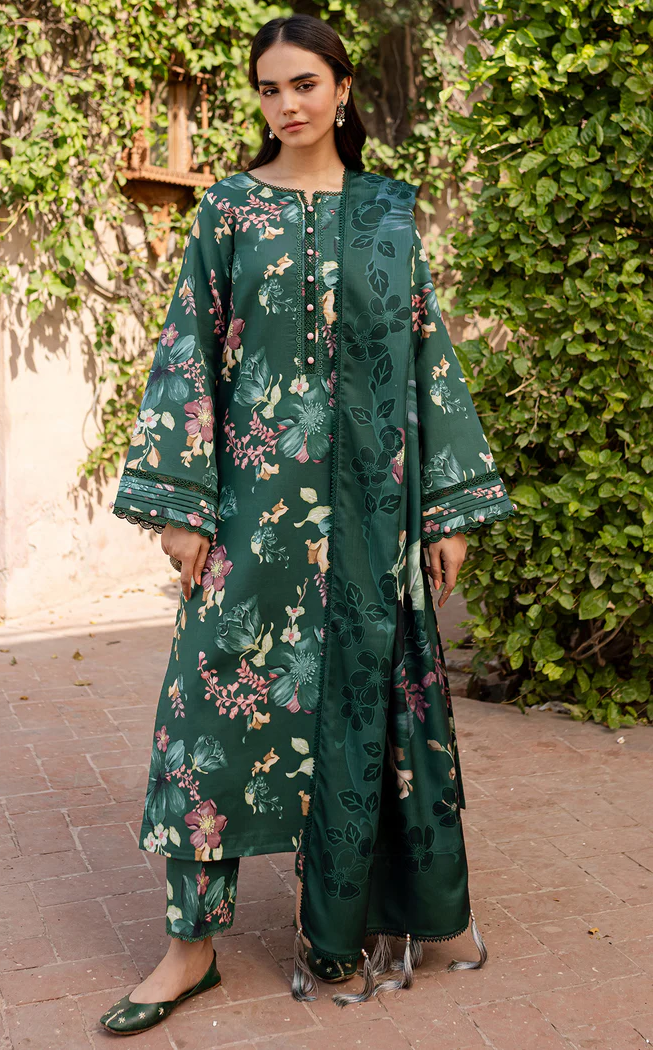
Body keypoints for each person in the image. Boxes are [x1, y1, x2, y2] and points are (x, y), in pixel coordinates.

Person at [99, 12, 515, 1036]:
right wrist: (181, 507)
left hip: (375, 512)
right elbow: (189, 346)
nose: (286, 104)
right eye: (269, 88)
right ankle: (188, 947)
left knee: (365, 706)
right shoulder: (230, 209)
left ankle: (349, 924)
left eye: (304, 84)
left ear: (341, 89)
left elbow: (425, 350)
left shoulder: (386, 212)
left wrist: (448, 506)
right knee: (205, 717)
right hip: (250, 511)